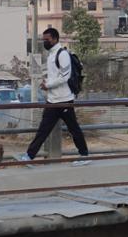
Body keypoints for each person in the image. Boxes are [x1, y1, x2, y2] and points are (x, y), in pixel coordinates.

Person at [22, 27, 89, 164]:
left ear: (55, 39)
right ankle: (29, 156)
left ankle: (84, 155)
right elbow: (56, 76)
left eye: (47, 39)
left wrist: (48, 85)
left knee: (74, 129)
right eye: (43, 39)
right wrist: (47, 83)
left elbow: (65, 77)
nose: (45, 42)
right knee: (43, 130)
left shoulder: (62, 54)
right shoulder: (51, 55)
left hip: (64, 100)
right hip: (52, 100)